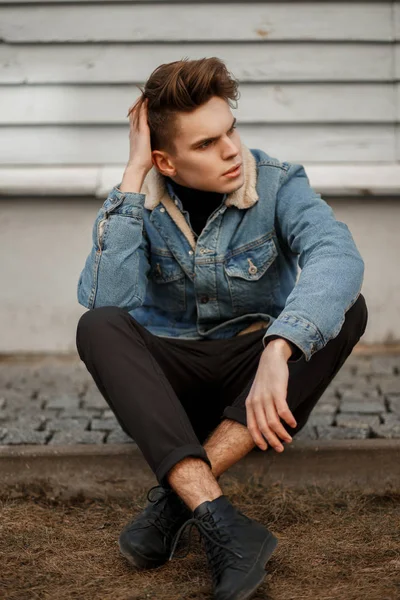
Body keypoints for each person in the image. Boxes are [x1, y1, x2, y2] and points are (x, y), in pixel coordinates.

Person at [75, 57, 368, 600]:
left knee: (349, 305)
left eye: (229, 129)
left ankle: (172, 504)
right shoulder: (137, 202)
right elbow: (105, 301)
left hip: (253, 381)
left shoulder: (279, 182)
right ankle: (220, 521)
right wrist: (133, 176)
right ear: (166, 159)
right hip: (172, 385)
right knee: (98, 325)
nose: (232, 149)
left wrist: (279, 350)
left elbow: (337, 256)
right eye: (206, 144)